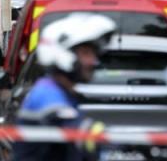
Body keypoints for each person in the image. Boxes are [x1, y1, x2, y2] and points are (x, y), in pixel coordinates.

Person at [12, 13, 116, 161]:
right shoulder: (47, 95)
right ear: (63, 54)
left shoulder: (61, 91)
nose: (94, 61)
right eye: (86, 53)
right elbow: (79, 131)